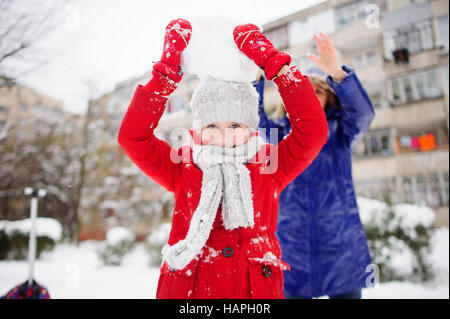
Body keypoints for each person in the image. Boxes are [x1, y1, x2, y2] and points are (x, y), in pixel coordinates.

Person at [117, 19, 328, 299]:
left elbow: (313, 132)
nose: (224, 136)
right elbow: (133, 137)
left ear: (251, 128)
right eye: (212, 126)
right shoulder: (182, 165)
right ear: (198, 129)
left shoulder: (269, 165)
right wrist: (166, 75)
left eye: (235, 126)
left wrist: (275, 65)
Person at [255, 33, 375, 299]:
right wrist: (255, 79)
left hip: (342, 248)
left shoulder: (341, 130)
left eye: (318, 90)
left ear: (328, 98)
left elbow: (363, 114)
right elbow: (254, 120)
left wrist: (336, 72)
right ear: (288, 100)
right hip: (290, 250)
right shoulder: (277, 135)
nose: (311, 96)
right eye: (303, 91)